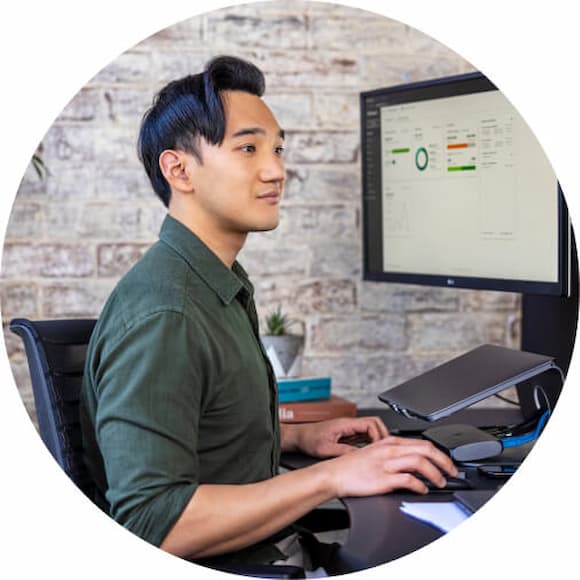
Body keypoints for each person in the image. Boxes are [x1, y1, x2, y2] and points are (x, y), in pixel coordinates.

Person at [80, 55, 457, 572]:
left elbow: (201, 431)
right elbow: (152, 525)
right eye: (249, 148)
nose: (276, 169)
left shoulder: (214, 282)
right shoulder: (167, 313)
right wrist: (329, 479)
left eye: (278, 148)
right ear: (179, 169)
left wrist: (295, 438)